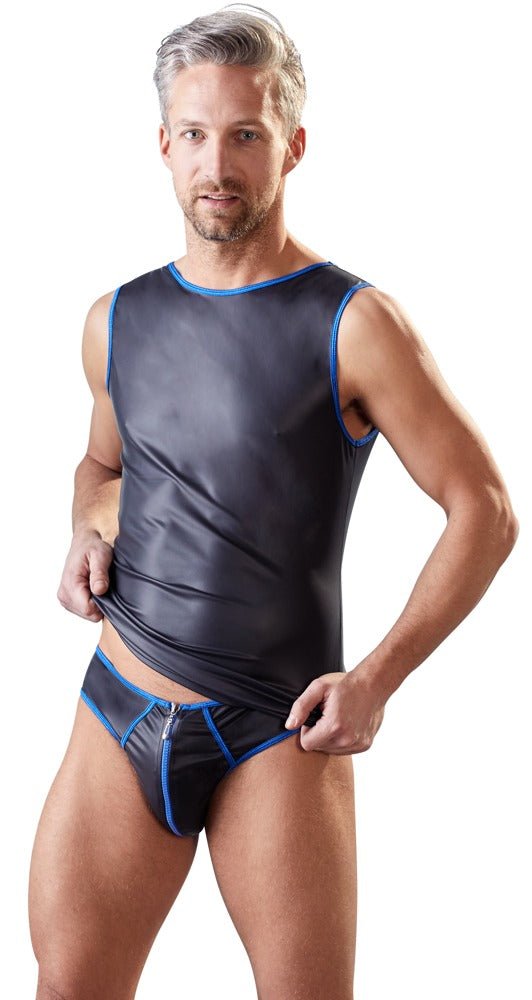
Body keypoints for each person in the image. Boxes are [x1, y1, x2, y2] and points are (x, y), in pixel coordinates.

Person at [28, 4, 519, 999]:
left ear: (292, 145)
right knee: (70, 986)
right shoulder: (115, 319)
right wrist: (85, 525)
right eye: (196, 134)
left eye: (246, 135)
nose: (218, 164)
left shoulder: (355, 323)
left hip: (278, 726)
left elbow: (485, 508)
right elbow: (102, 465)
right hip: (119, 701)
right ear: (163, 144)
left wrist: (375, 679)